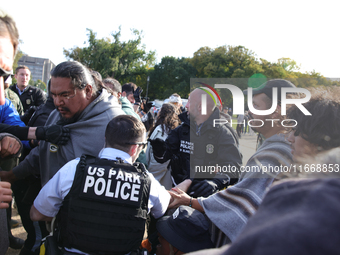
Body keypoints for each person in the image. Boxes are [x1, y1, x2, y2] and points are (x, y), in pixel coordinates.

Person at [169, 79, 295, 246]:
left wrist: (213, 184)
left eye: (256, 106)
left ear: (276, 111)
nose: (249, 111)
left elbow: (242, 203)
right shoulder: (182, 129)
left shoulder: (275, 153)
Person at [30, 115, 171, 255]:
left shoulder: (74, 169)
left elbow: (36, 213)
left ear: (106, 140)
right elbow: (161, 210)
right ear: (135, 148)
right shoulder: (147, 181)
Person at [150, 87, 242, 198]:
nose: (186, 106)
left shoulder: (223, 133)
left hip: (207, 201)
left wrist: (216, 182)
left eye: (189, 101)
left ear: (200, 107)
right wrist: (159, 151)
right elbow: (164, 158)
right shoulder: (181, 130)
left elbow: (234, 167)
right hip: (179, 194)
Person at [146, 103, 180, 189]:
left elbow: (159, 163)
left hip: (157, 182)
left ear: (163, 113)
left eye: (160, 110)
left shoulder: (162, 132)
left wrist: (149, 181)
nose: (157, 112)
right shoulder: (169, 130)